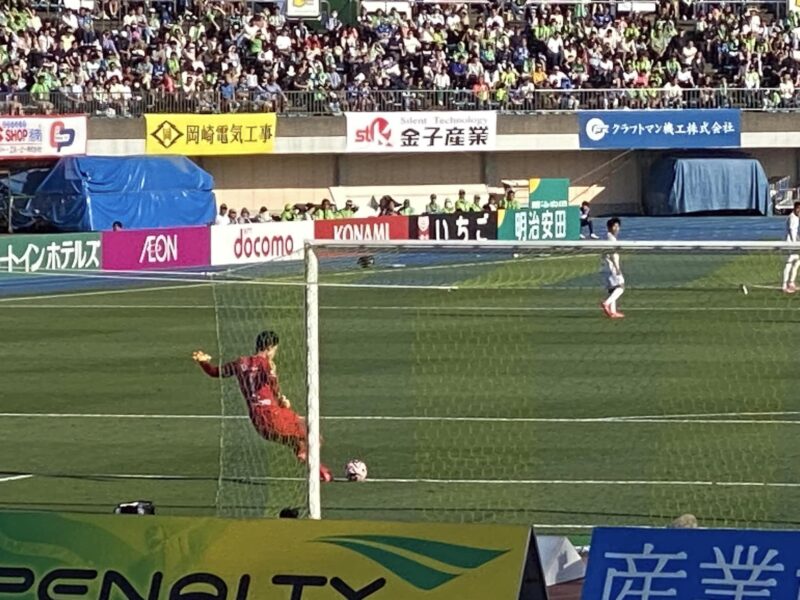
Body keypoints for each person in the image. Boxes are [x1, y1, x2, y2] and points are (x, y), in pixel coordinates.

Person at [193, 330, 334, 482]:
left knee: (298, 440)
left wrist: (203, 362)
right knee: (313, 433)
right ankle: (316, 468)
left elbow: (216, 372)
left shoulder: (240, 363)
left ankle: (317, 468)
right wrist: (281, 399)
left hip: (258, 422)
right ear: (269, 347)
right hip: (273, 415)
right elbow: (272, 382)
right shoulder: (266, 364)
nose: (274, 353)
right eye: (274, 350)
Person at [601, 218, 625, 319]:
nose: (617, 228)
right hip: (611, 267)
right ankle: (606, 303)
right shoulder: (610, 239)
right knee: (621, 287)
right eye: (614, 226)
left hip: (605, 267)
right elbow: (612, 255)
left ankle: (613, 312)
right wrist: (617, 268)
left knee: (612, 289)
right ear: (609, 227)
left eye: (618, 226)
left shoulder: (608, 237)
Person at [783, 201, 800, 294]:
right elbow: (793, 233)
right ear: (797, 209)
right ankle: (785, 284)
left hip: (792, 244)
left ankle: (791, 282)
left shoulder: (795, 218)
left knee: (797, 262)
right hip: (790, 245)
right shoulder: (793, 219)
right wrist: (796, 244)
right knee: (789, 263)